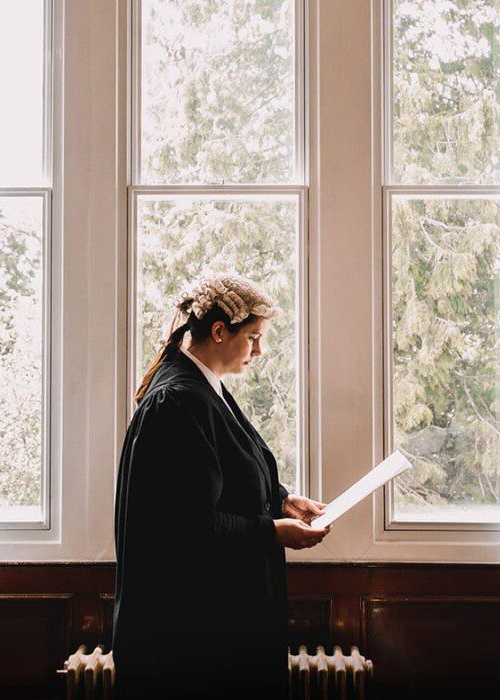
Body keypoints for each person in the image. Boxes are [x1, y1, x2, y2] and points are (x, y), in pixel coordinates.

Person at [112, 273, 332, 699]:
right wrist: (273, 531)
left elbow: (225, 477)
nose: (259, 350)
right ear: (218, 332)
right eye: (252, 337)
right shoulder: (177, 401)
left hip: (214, 631)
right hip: (192, 645)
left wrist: (283, 501)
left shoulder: (206, 391)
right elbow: (185, 528)